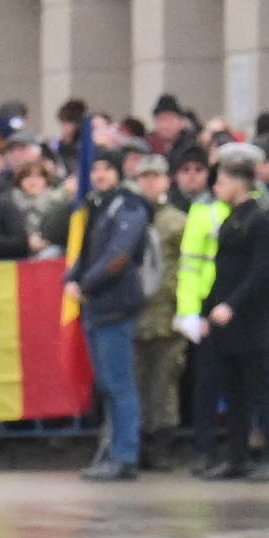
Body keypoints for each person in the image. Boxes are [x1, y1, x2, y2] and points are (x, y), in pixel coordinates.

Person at [183, 149, 269, 483]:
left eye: (221, 182)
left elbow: (260, 272)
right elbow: (221, 272)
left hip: (252, 318)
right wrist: (206, 311)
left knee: (262, 388)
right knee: (234, 391)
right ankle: (237, 457)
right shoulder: (231, 221)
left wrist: (231, 304)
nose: (215, 188)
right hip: (225, 322)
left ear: (238, 184)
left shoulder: (263, 222)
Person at [68, 145, 156, 480]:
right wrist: (72, 276)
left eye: (106, 168)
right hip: (98, 305)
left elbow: (118, 256)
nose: (99, 174)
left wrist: (85, 284)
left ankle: (124, 454)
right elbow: (89, 251)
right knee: (107, 383)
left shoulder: (128, 206)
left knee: (119, 384)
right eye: (95, 169)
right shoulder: (96, 206)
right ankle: (113, 449)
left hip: (115, 303)